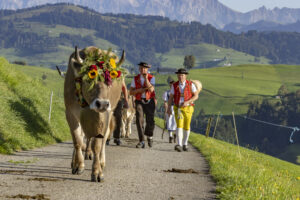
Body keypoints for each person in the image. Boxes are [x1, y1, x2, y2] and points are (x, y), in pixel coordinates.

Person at [167, 68, 200, 152]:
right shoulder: (174, 85)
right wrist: (168, 108)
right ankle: (179, 144)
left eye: (182, 75)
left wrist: (188, 102)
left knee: (187, 126)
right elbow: (171, 97)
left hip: (189, 107)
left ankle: (185, 143)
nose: (180, 77)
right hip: (178, 108)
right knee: (179, 125)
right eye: (179, 75)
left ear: (185, 76)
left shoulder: (190, 84)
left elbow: (196, 96)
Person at [129, 62, 156, 148]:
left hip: (150, 101)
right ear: (139, 69)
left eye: (144, 68)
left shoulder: (152, 78)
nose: (143, 70)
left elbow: (151, 89)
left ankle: (150, 136)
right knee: (139, 120)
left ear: (147, 70)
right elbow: (131, 92)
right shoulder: (135, 78)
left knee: (150, 120)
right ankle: (141, 141)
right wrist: (139, 91)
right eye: (141, 68)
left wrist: (146, 79)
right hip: (139, 101)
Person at [163, 77, 177, 143]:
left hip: (176, 108)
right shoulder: (167, 93)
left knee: (176, 122)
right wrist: (166, 108)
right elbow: (165, 101)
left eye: (173, 85)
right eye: (171, 85)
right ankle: (170, 136)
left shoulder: (177, 93)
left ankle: (175, 135)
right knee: (169, 122)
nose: (172, 86)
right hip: (170, 107)